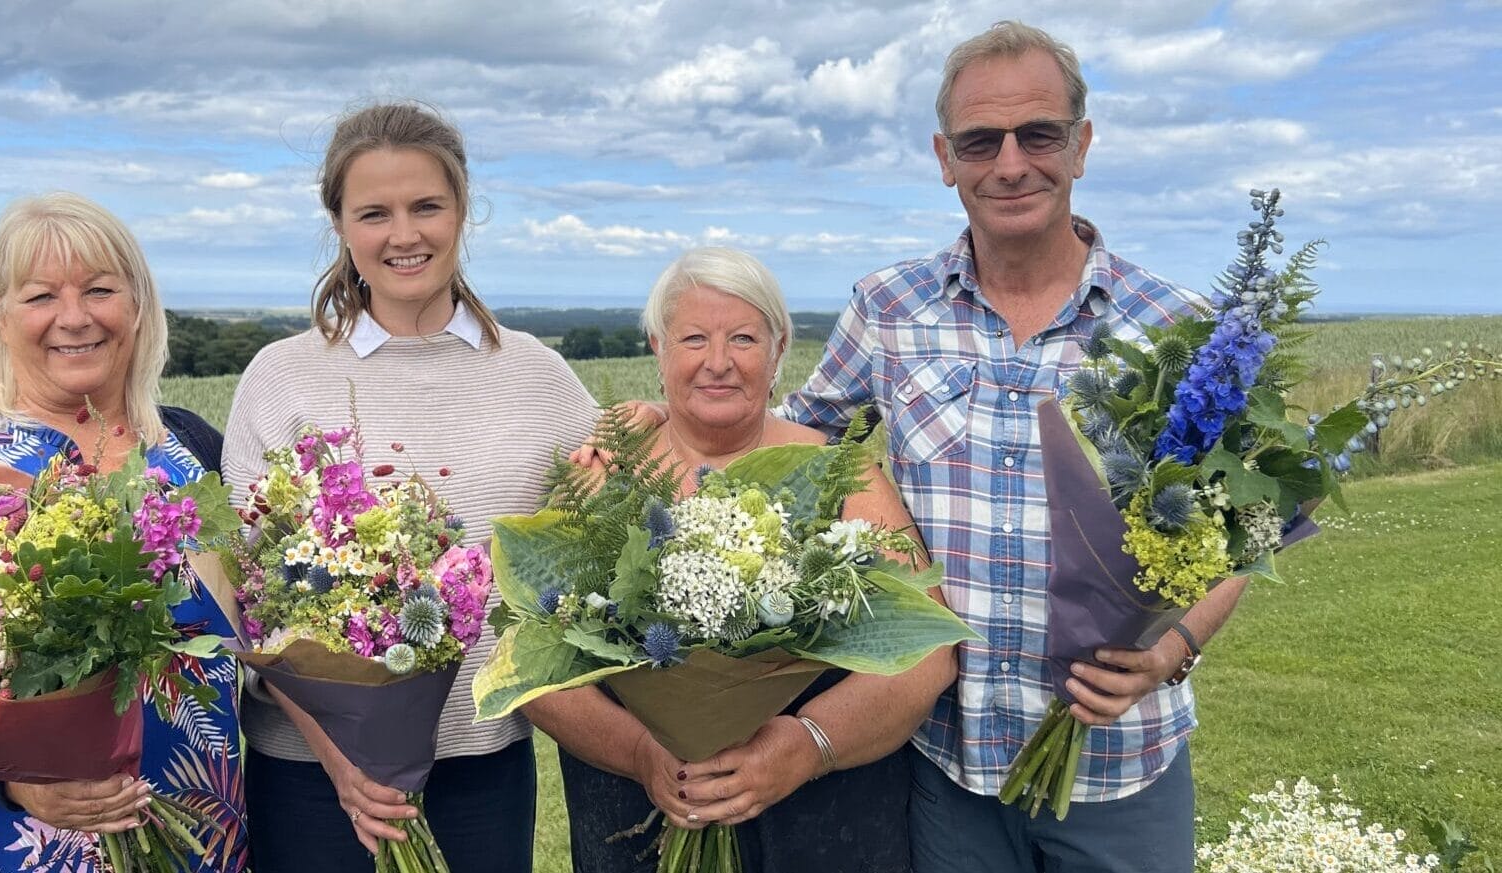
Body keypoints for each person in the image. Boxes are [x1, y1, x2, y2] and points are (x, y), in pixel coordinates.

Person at [780, 21, 1216, 873]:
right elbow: (797, 445)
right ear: (946, 158)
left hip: (1122, 762)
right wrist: (663, 426)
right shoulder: (888, 309)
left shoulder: (1170, 327)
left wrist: (1172, 650)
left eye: (1039, 134)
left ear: (1081, 144)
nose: (1011, 163)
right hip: (952, 765)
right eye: (982, 140)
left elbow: (1238, 530)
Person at [220, 101, 598, 873]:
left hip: (482, 761)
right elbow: (247, 595)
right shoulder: (280, 378)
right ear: (340, 224)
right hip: (309, 775)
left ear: (463, 210)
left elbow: (596, 526)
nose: (404, 235)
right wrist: (342, 764)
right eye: (374, 213)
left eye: (427, 206)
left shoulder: (540, 377)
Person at [531, 247, 958, 872]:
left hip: (821, 822)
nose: (719, 362)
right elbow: (531, 658)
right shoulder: (602, 474)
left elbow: (927, 653)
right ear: (657, 347)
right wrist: (643, 755)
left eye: (744, 338)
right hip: (639, 811)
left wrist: (807, 746)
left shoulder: (842, 476)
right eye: (694, 338)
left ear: (780, 349)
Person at [0, 192, 247, 873]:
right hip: (20, 846)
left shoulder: (193, 448)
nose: (75, 317)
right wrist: (12, 778)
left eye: (100, 289)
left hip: (208, 835)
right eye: (41, 296)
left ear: (138, 305)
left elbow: (260, 628)